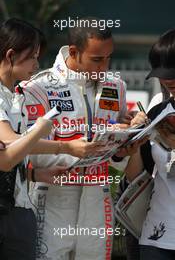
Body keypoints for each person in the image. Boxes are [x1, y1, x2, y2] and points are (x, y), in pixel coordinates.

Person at [20, 16, 145, 260]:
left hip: (97, 197)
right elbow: (25, 149)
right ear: (75, 52)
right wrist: (70, 149)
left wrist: (126, 136)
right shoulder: (39, 87)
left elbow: (118, 154)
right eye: (97, 59)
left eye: (109, 58)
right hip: (52, 194)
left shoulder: (116, 86)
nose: (105, 67)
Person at [0, 17, 100, 260]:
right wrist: (51, 136)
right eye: (32, 56)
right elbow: (9, 149)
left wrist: (34, 174)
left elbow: (15, 150)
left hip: (19, 208)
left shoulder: (13, 94)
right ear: (11, 54)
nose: (37, 63)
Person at [124, 28, 175, 260]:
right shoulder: (157, 113)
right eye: (161, 73)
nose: (167, 80)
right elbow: (138, 176)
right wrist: (133, 144)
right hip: (157, 236)